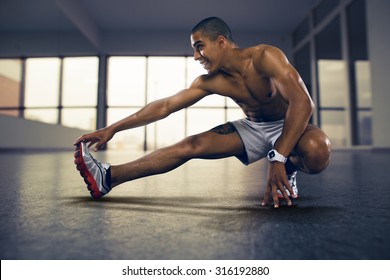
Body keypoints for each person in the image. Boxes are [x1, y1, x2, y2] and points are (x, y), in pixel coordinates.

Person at [74, 17, 331, 208]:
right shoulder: (210, 81)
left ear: (221, 41)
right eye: (195, 49)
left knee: (318, 149)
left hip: (288, 124)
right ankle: (108, 177)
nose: (196, 56)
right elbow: (164, 107)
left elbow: (303, 103)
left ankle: (290, 170)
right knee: (191, 144)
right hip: (253, 128)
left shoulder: (265, 56)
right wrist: (112, 128)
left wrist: (279, 157)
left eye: (200, 46)